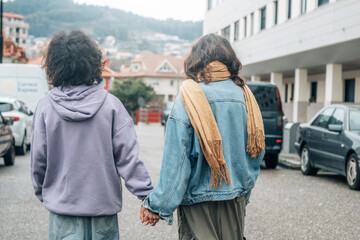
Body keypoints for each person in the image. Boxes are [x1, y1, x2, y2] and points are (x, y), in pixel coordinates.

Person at [30, 30, 158, 240]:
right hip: (103, 217)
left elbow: (38, 161)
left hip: (63, 215)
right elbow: (129, 160)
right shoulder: (111, 106)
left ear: (54, 65)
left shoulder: (45, 108)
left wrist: (46, 194)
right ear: (93, 62)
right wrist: (148, 199)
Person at [141, 33, 265, 239]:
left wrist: (157, 206)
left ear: (195, 60)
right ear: (230, 61)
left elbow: (177, 163)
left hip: (198, 205)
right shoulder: (245, 96)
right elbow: (255, 154)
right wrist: (243, 193)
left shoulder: (188, 97)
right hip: (234, 200)